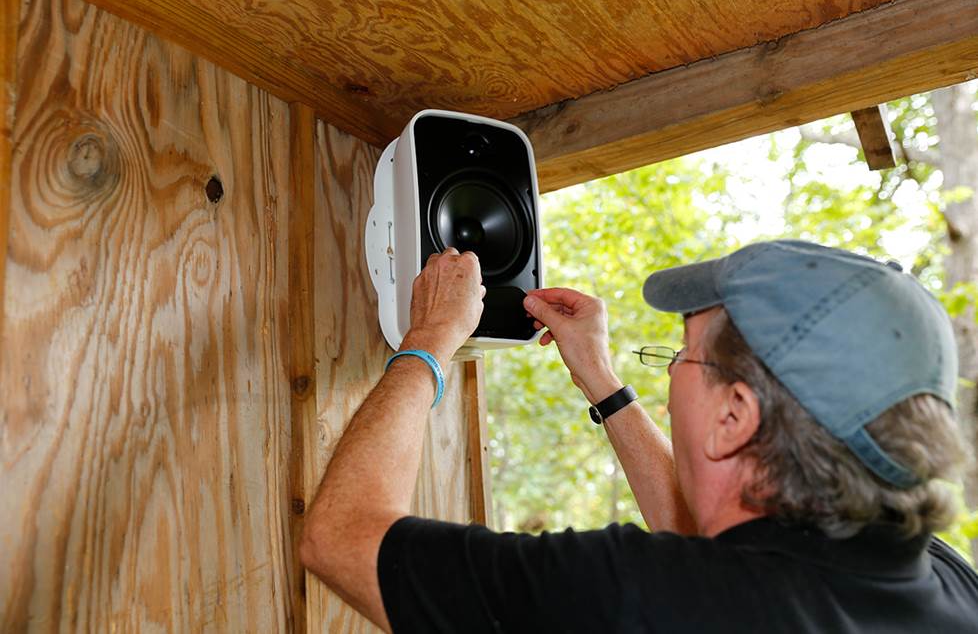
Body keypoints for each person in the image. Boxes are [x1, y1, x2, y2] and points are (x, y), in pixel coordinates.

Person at [299, 239, 978, 632]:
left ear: (734, 416)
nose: (674, 372)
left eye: (685, 356)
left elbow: (340, 537)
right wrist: (602, 380)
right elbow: (715, 551)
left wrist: (428, 341)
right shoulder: (947, 583)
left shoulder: (633, 595)